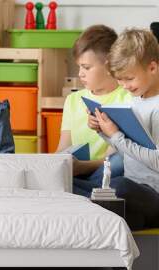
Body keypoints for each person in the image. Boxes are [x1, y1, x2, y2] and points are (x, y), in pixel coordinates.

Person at [80, 28, 159, 230]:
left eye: (129, 78)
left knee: (118, 186)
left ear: (152, 67)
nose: (124, 86)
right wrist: (102, 130)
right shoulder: (136, 99)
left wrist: (115, 136)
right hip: (135, 192)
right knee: (67, 183)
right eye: (120, 80)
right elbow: (128, 146)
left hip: (152, 193)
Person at [56, 25, 132, 195]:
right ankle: (88, 193)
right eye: (79, 67)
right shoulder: (73, 100)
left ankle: (79, 192)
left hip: (104, 173)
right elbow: (63, 147)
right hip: (77, 174)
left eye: (86, 67)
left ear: (108, 66)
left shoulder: (127, 98)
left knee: (121, 162)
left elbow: (113, 159)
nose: (80, 74)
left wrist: (81, 167)